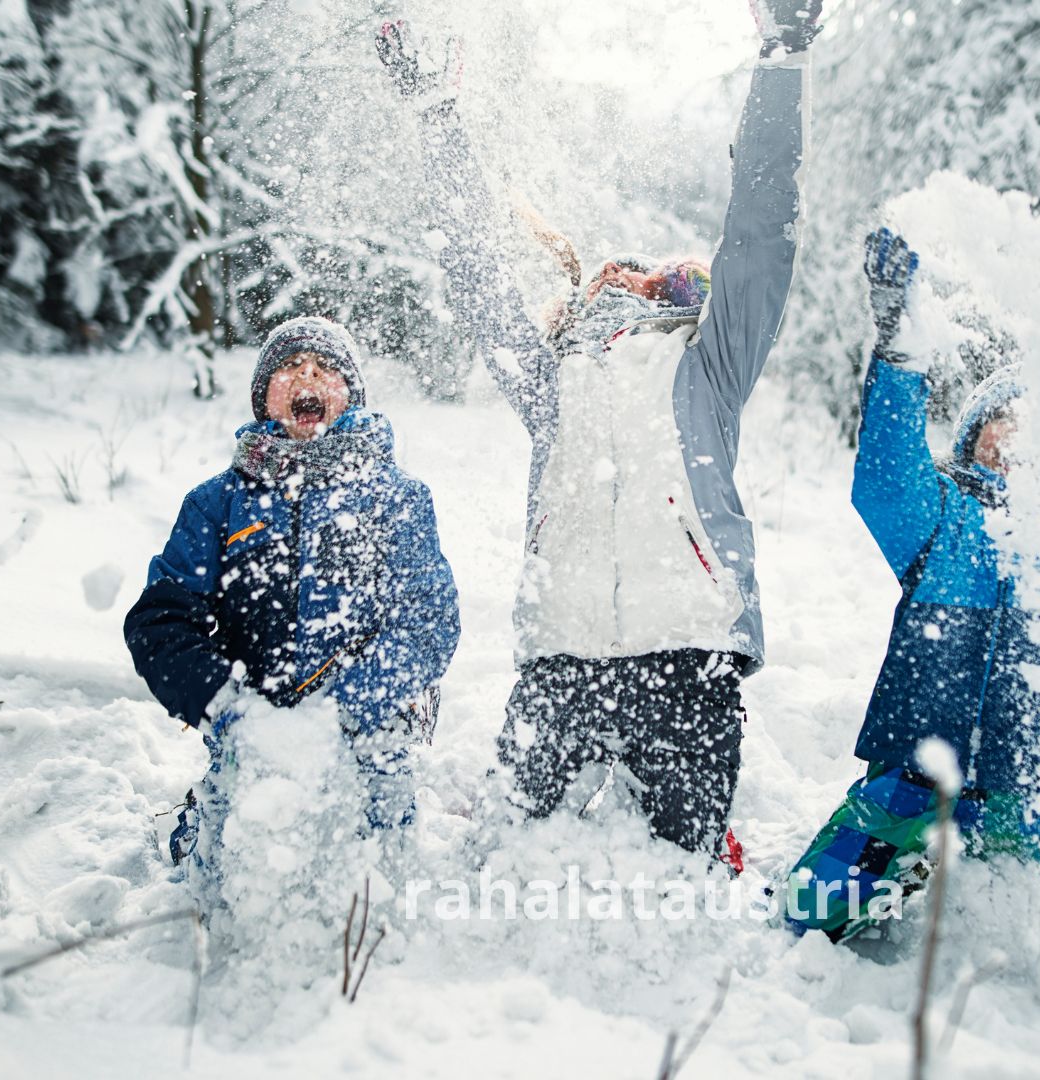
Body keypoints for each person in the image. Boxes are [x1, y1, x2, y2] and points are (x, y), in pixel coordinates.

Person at [373, 3, 820, 862]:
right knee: (505, 862)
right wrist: (435, 116)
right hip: (562, 653)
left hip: (688, 649)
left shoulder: (708, 365)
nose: (625, 276)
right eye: (610, 271)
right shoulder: (550, 381)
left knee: (678, 879)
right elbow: (475, 272)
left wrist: (782, 57)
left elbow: (760, 230)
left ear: (679, 294)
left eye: (650, 274)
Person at [782, 228, 1040, 940]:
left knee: (1024, 939)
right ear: (973, 437)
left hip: (1022, 776)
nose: (1014, 435)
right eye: (999, 422)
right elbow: (886, 480)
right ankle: (891, 877)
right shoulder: (940, 515)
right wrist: (900, 358)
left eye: (1033, 425)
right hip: (914, 764)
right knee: (810, 911)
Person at [124, 317, 461, 901]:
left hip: (369, 733)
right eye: (289, 366)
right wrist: (227, 707)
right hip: (252, 736)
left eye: (326, 368)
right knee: (224, 887)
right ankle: (203, 821)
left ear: (351, 396)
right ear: (263, 397)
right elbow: (161, 622)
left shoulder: (397, 497)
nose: (308, 374)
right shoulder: (217, 503)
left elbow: (429, 619)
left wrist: (353, 704)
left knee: (375, 888)